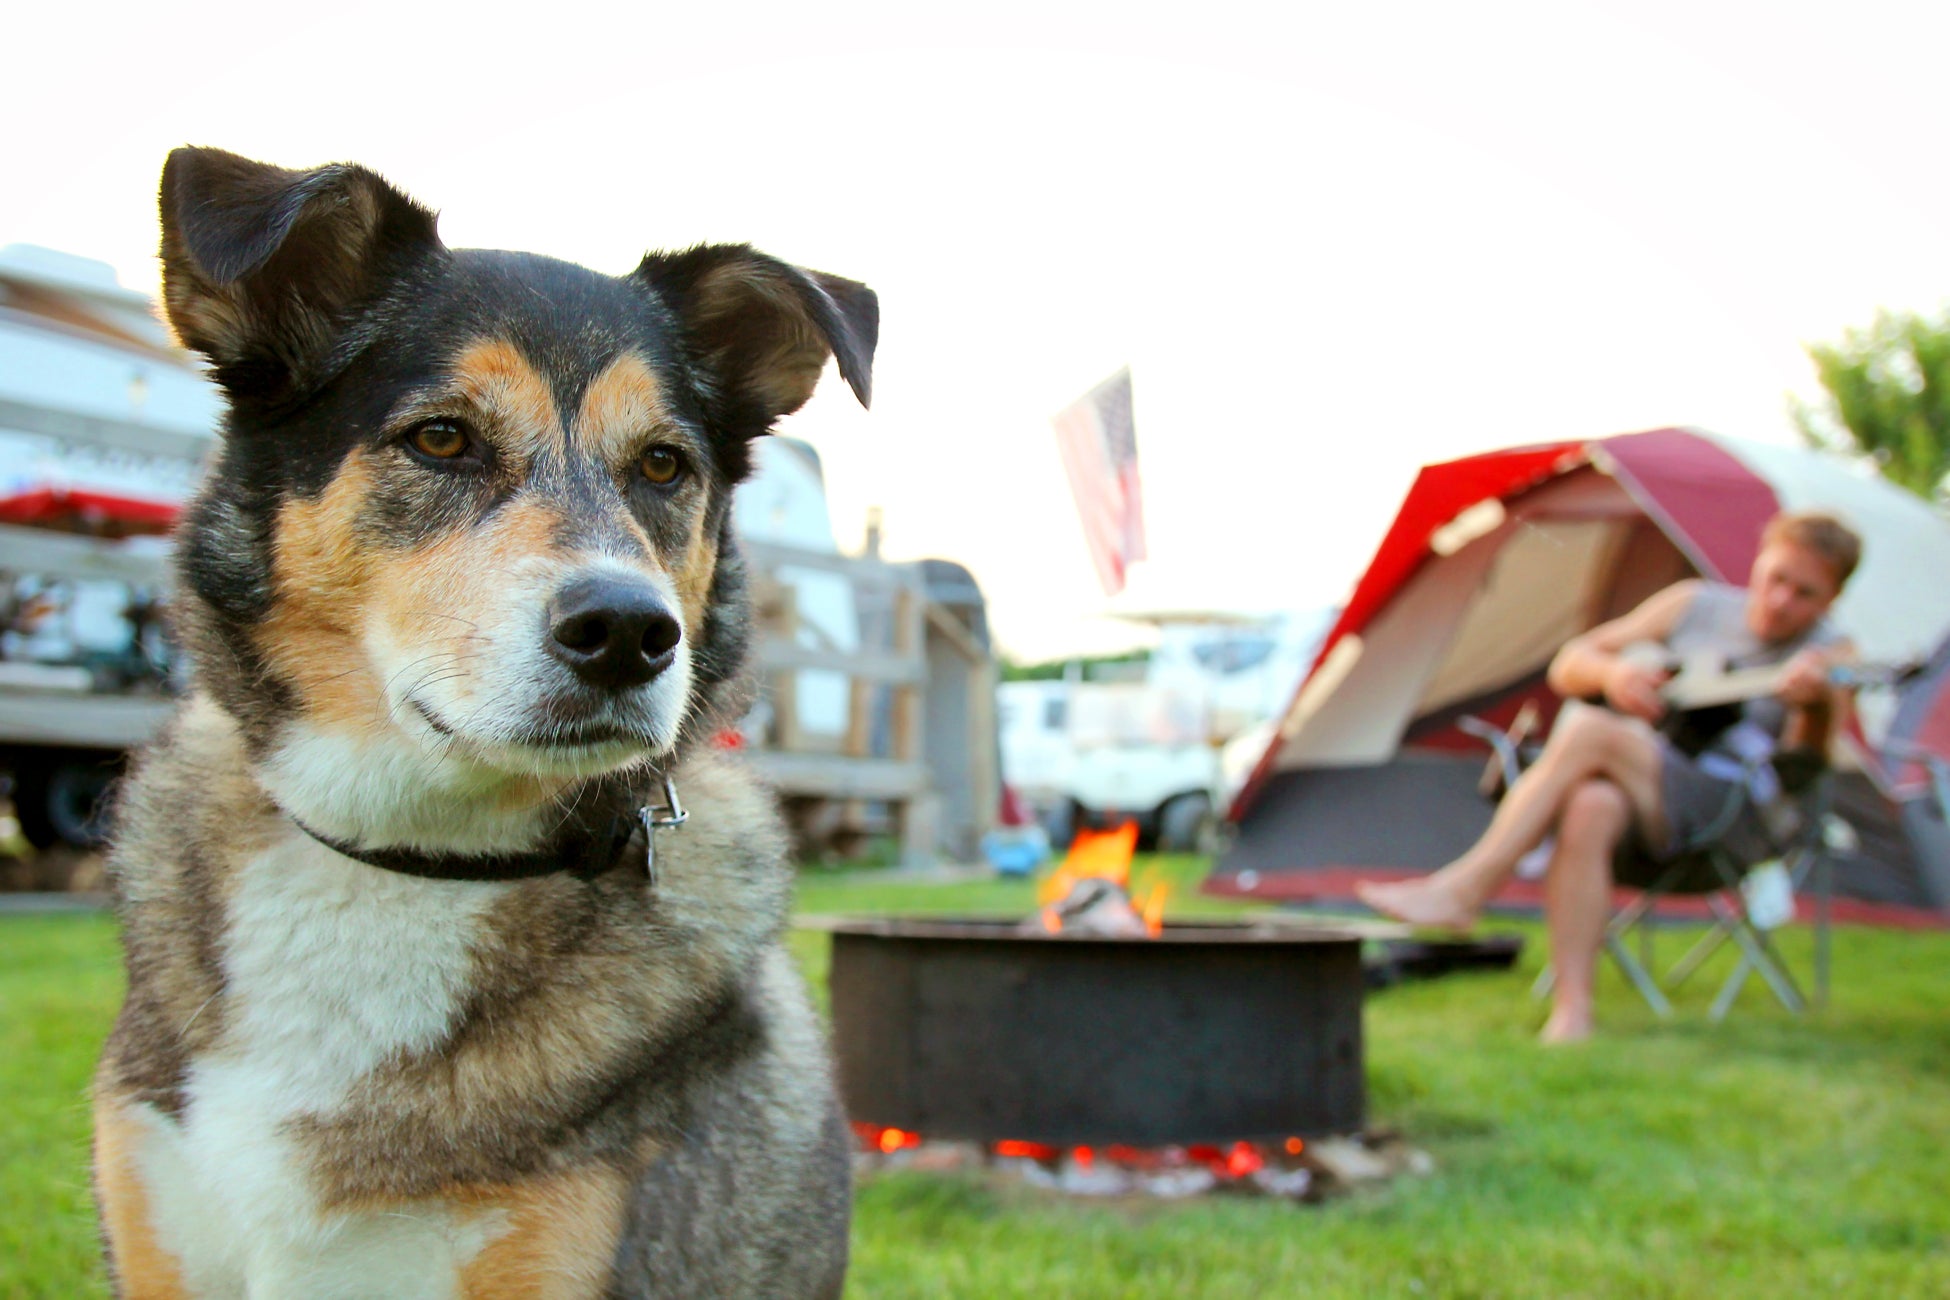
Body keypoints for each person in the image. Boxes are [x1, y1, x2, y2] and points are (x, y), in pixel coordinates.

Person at [1356, 511, 1863, 1043]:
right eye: (1776, 579)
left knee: (1590, 730)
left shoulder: (1834, 656)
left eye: (1804, 593)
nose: (1782, 601)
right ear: (1758, 561)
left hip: (1731, 817)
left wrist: (1818, 707)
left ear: (1830, 600)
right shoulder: (1695, 605)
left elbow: (1806, 769)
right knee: (1591, 804)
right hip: (1645, 801)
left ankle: (1469, 886)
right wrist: (1614, 674)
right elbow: (1571, 662)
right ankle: (1573, 1013)